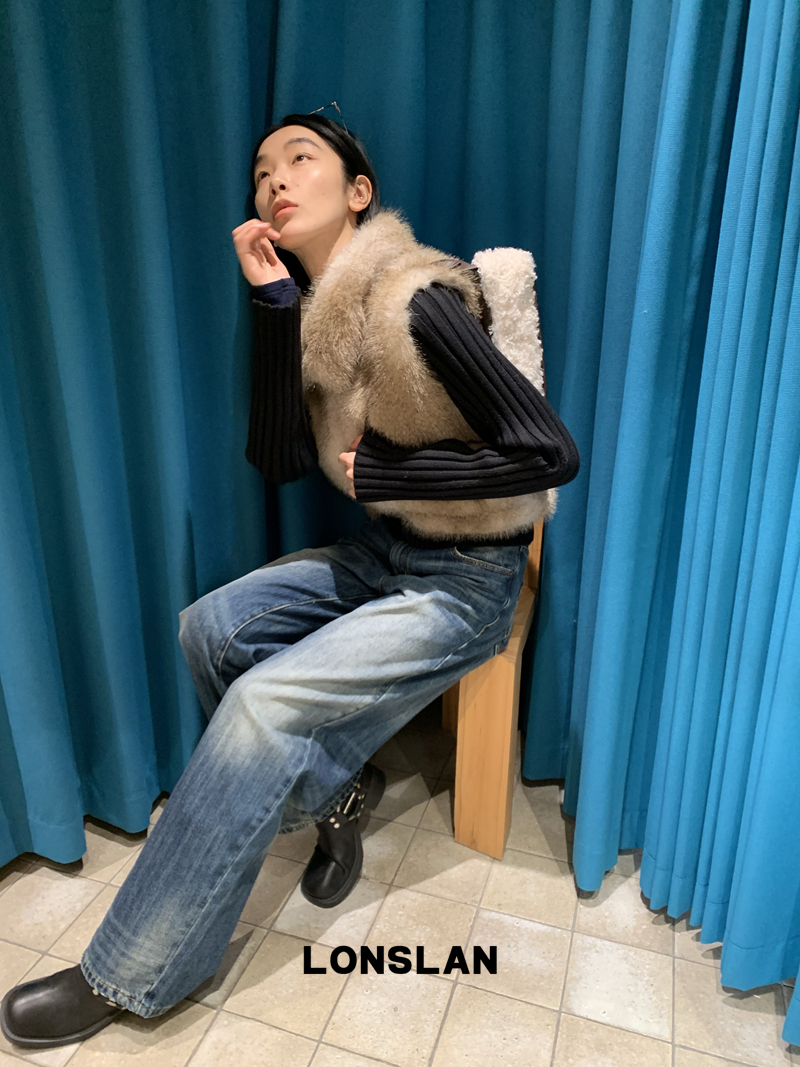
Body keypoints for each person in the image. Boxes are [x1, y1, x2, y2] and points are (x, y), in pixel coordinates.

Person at [0, 112, 580, 1050]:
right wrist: (274, 307)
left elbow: (550, 452)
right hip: (383, 553)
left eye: (300, 159)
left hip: (466, 579)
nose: (274, 180)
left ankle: (131, 970)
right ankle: (339, 797)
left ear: (359, 192)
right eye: (262, 170)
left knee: (264, 706)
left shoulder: (419, 298)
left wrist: (392, 473)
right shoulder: (315, 319)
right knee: (209, 629)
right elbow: (277, 462)